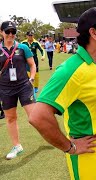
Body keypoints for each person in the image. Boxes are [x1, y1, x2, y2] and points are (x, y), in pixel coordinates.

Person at [29, 7, 96, 179]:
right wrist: (70, 147)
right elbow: (38, 116)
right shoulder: (71, 69)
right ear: (94, 33)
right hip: (89, 154)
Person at [0, 21, 36, 159]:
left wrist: (31, 79)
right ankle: (17, 146)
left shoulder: (23, 47)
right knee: (10, 118)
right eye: (7, 31)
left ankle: (52, 139)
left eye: (13, 32)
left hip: (23, 86)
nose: (10, 34)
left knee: (34, 117)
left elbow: (32, 65)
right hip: (5, 88)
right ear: (1, 32)